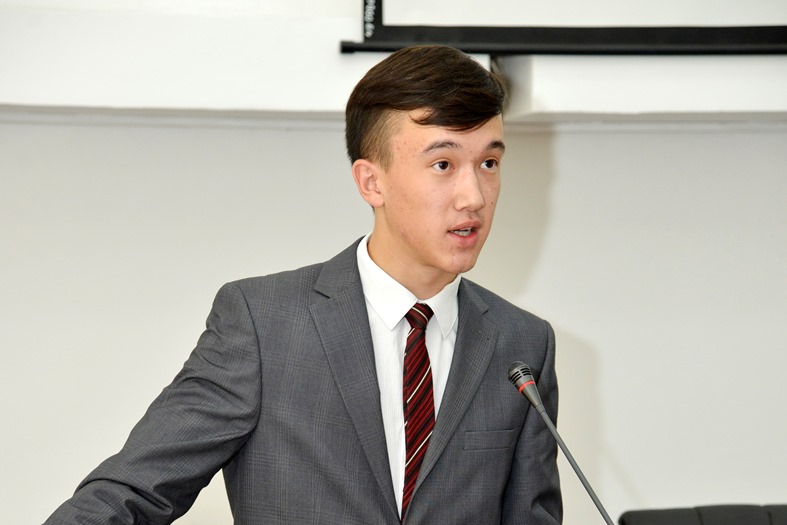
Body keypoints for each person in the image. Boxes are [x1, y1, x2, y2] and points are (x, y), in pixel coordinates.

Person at [45, 44, 562, 524]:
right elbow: (132, 492)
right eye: (443, 164)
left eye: (489, 163)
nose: (474, 196)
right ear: (371, 182)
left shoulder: (522, 345)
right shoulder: (263, 324)